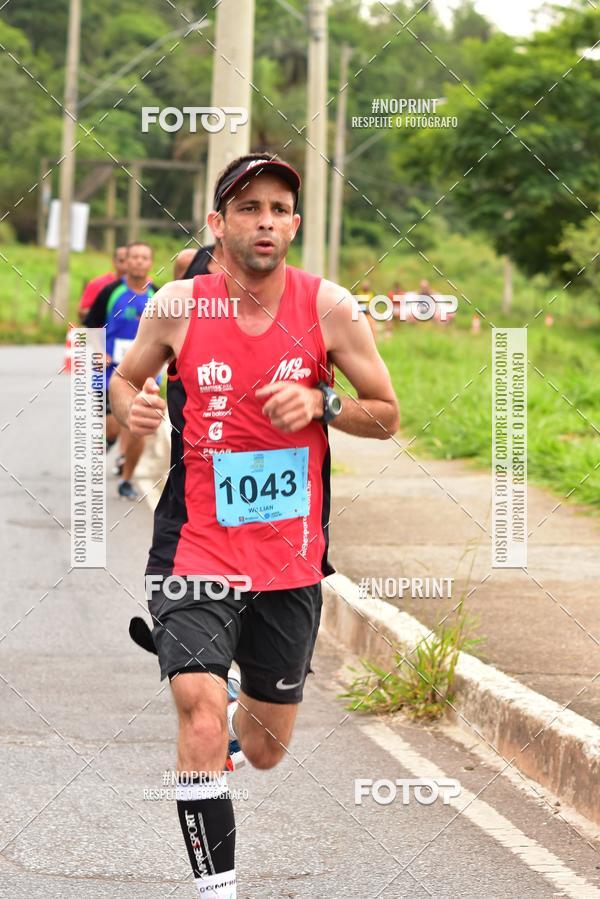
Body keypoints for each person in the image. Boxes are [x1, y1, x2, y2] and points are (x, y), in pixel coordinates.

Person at [109, 153, 399, 898]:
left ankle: (239, 693)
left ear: (293, 224)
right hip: (196, 543)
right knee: (198, 711)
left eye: (277, 208)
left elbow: (387, 414)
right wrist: (130, 408)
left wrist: (322, 405)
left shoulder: (329, 306)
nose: (264, 220)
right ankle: (218, 890)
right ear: (218, 224)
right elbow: (125, 377)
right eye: (248, 208)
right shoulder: (176, 304)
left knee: (265, 747)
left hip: (290, 557)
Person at [85, 242, 159, 499]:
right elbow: (89, 326)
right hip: (110, 372)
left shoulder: (158, 295)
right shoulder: (110, 292)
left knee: (137, 426)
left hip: (144, 373)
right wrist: (99, 351)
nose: (138, 261)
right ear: (125, 262)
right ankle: (106, 444)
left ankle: (127, 479)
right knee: (114, 427)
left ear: (150, 262)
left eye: (144, 257)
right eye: (134, 257)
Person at [78, 246, 128, 322]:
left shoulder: (145, 288)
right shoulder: (97, 284)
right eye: (121, 261)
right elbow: (81, 313)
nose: (125, 266)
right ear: (114, 262)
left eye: (129, 261)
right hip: (101, 332)